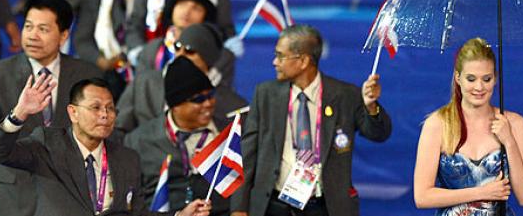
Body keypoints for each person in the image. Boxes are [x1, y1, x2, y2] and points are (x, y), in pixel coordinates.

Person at [0, 0, 100, 216]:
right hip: (13, 197)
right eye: (28, 27)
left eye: (43, 29)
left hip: (69, 197)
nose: (32, 35)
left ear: (64, 35)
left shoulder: (86, 74)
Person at [0, 78, 211, 216]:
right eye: (95, 107)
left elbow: (137, 214)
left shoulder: (127, 157)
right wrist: (20, 113)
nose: (104, 115)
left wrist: (179, 215)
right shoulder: (48, 144)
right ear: (73, 112)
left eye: (110, 109)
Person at [229, 25, 392, 216]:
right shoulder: (265, 94)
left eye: (281, 56)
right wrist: (239, 208)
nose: (275, 62)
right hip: (274, 206)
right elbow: (246, 156)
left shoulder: (344, 95)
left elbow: (379, 134)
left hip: (326, 207)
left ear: (304, 60)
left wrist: (371, 106)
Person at [413, 38, 523, 215]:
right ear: (458, 78)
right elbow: (422, 197)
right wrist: (482, 192)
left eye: (486, 79)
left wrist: (509, 141)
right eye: (471, 79)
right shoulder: (437, 124)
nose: (479, 87)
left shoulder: (516, 124)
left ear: (495, 79)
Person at [124, 58, 236, 215]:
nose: (208, 103)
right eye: (198, 99)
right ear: (175, 105)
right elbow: (131, 201)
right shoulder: (139, 141)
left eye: (210, 95)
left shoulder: (230, 134)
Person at [115, 23, 246, 134]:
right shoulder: (143, 84)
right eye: (177, 47)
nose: (180, 55)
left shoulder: (232, 105)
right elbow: (118, 129)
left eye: (189, 50)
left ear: (207, 60)